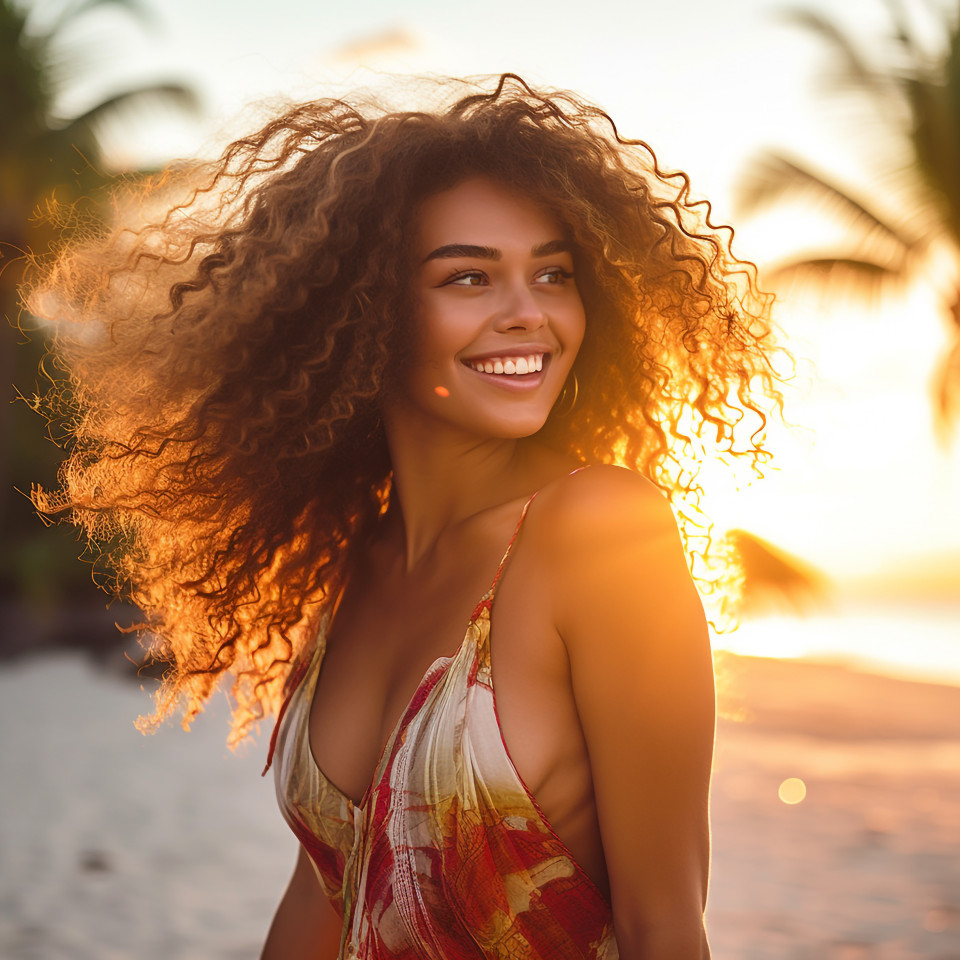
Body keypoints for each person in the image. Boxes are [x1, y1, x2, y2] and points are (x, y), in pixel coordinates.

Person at [27, 74, 782, 959]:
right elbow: (325, 895)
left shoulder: (600, 534)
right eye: (469, 276)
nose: (529, 314)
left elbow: (665, 925)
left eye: (553, 274)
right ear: (363, 316)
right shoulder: (355, 567)